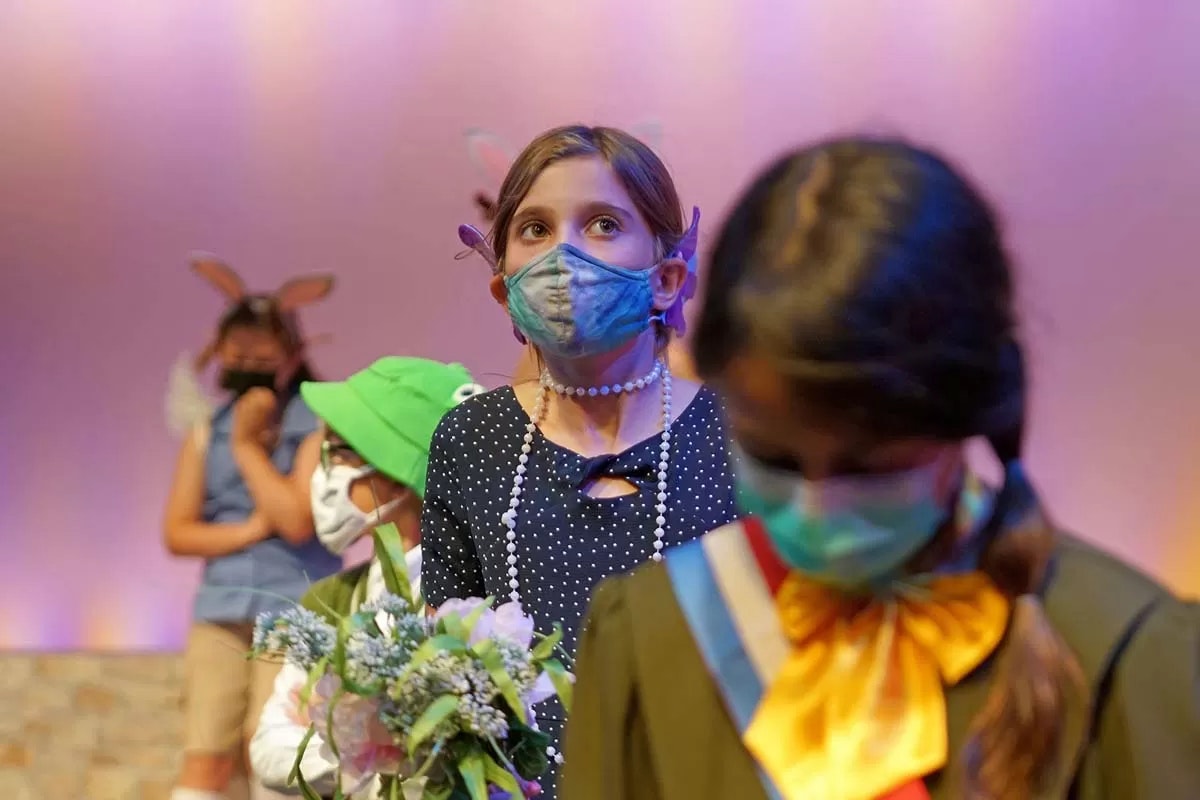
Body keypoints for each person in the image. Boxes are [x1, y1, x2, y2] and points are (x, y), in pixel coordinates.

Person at [562, 137, 1200, 799]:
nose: (815, 512)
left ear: (971, 414)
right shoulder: (653, 632)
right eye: (773, 459)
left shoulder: (1127, 656)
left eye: (870, 470)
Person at [424, 124, 739, 793]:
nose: (565, 252)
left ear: (667, 279)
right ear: (505, 290)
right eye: (535, 229)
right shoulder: (470, 439)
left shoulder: (741, 438)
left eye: (601, 223)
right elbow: (443, 660)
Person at [249, 356, 484, 800]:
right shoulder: (332, 599)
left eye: (338, 451)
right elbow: (269, 749)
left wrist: (335, 740)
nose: (322, 471)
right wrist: (381, 753)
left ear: (398, 473)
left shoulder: (485, 597)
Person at [164, 256, 343, 800]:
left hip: (293, 607)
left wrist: (247, 446)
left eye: (262, 353)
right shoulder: (204, 428)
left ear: (291, 354)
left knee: (277, 758)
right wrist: (246, 531)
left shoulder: (319, 423)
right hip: (218, 611)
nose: (248, 363)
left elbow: (295, 521)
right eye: (237, 352)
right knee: (205, 756)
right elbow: (177, 532)